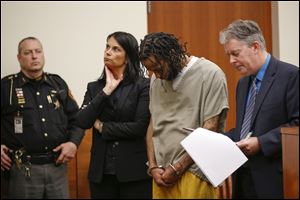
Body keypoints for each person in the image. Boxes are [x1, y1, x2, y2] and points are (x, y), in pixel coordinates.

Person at [139, 32, 229, 199]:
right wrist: (152, 166)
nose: (156, 75)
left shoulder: (210, 74)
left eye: (158, 69)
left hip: (195, 171)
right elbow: (153, 123)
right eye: (151, 70)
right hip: (162, 174)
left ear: (172, 55)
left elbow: (210, 128)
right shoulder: (155, 80)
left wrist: (177, 168)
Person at [219, 19, 299, 198]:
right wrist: (215, 139)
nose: (231, 61)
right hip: (243, 180)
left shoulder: (291, 76)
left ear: (255, 46)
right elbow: (245, 131)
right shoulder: (242, 84)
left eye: (235, 53)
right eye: (228, 55)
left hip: (276, 181)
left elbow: (296, 126)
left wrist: (262, 143)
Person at [1, 37, 84, 199]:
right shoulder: (6, 87)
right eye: (28, 52)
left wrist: (73, 143)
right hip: (22, 169)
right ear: (19, 58)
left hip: (57, 167)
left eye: (38, 51)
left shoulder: (57, 84)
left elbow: (78, 119)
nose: (34, 56)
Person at [76, 31, 152, 199]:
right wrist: (106, 90)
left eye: (116, 49)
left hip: (134, 173)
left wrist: (102, 126)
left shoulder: (143, 86)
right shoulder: (94, 88)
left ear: (128, 56)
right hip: (101, 173)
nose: (108, 52)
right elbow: (82, 121)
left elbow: (139, 127)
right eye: (107, 47)